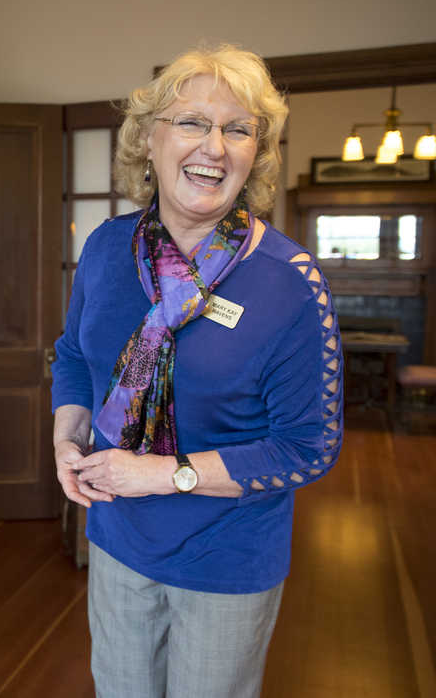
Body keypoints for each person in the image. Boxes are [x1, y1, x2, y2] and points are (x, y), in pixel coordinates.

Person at [51, 44, 344, 698]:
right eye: (192, 122)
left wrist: (162, 473)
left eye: (238, 129)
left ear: (254, 156)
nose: (214, 145)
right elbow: (72, 351)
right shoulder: (105, 248)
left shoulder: (291, 285)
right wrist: (64, 437)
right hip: (117, 536)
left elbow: (308, 447)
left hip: (227, 557)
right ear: (148, 141)